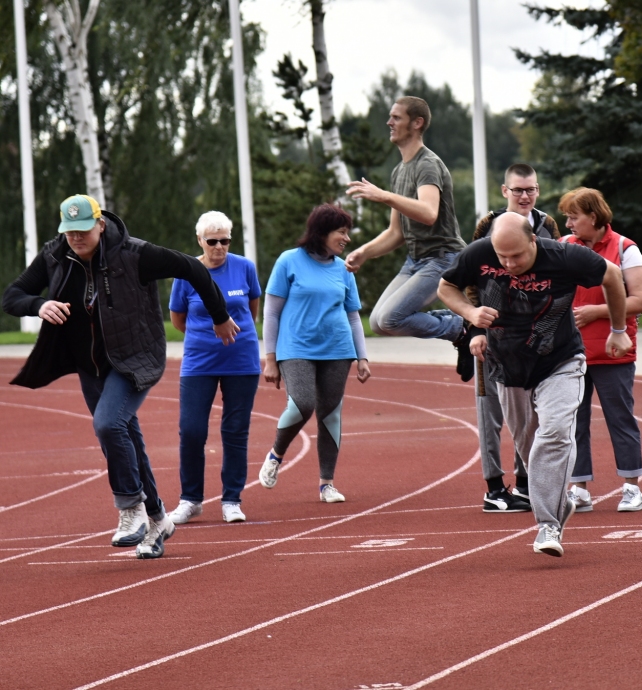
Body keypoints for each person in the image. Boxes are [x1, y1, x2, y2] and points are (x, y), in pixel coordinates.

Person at [2, 194, 238, 559]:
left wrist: (219, 316)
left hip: (134, 358)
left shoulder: (135, 254)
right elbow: (12, 296)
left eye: (83, 231)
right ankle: (159, 520)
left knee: (109, 424)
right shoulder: (54, 255)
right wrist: (39, 304)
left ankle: (131, 508)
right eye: (70, 232)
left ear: (100, 224)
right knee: (124, 434)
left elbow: (193, 268)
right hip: (89, 365)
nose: (76, 239)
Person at [437, 213, 632, 557]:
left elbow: (612, 276)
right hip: (507, 366)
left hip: (560, 360)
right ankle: (558, 504)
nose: (510, 264)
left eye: (518, 256)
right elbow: (446, 287)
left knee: (554, 434)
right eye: (502, 257)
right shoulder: (479, 253)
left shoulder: (563, 256)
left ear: (533, 242)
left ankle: (548, 525)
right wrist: (470, 316)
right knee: (530, 450)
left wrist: (618, 330)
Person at [258, 204, 372, 503]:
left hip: (337, 349)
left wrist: (362, 357)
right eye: (341, 232)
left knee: (330, 415)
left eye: (348, 232)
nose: (347, 238)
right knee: (302, 404)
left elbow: (352, 316)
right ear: (321, 232)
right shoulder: (288, 261)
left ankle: (326, 484)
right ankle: (276, 453)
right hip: (295, 348)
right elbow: (270, 312)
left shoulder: (343, 269)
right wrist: (270, 358)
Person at [344, 96, 469, 367]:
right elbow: (396, 233)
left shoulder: (427, 165)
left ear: (417, 123)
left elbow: (428, 212)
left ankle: (460, 326)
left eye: (396, 118)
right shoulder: (399, 171)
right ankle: (459, 323)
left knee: (391, 318)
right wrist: (364, 252)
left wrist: (385, 196)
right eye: (390, 117)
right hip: (415, 260)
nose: (389, 122)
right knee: (378, 322)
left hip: (443, 258)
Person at [468, 163, 560, 513]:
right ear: (505, 190)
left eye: (531, 189)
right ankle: (493, 486)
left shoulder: (546, 225)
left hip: (536, 337)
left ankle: (524, 483)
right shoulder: (487, 225)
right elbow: (469, 278)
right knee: (490, 409)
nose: (525, 196)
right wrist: (476, 327)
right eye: (518, 190)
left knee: (529, 413)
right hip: (493, 331)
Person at [167, 211, 262, 525]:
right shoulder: (187, 272)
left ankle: (232, 499)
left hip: (241, 361)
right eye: (212, 241)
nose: (219, 247)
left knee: (235, 431)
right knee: (192, 431)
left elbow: (251, 311)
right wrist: (205, 336)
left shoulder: (245, 268)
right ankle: (190, 499)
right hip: (199, 362)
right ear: (200, 240)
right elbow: (178, 319)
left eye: (225, 240)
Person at [559, 188, 642, 513]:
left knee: (620, 419)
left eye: (573, 216)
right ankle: (579, 488)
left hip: (614, 352)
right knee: (574, 421)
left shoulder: (626, 248)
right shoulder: (564, 248)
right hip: (570, 353)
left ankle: (631, 487)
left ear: (593, 217)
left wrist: (596, 312)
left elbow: (641, 300)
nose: (567, 223)